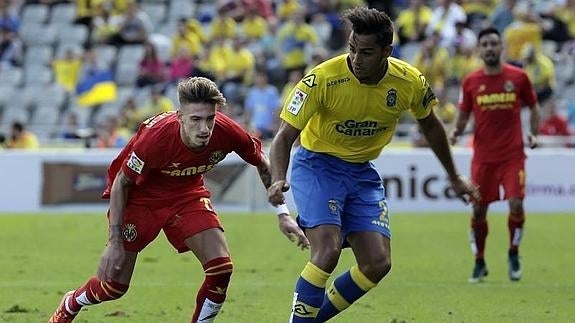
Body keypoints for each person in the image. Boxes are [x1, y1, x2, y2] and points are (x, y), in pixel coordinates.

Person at [267, 7, 479, 323]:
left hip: (362, 171)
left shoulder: (408, 81)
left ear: (386, 52)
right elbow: (284, 137)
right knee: (327, 253)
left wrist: (454, 176)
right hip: (317, 166)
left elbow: (431, 126)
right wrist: (277, 179)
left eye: (366, 52)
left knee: (377, 263)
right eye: (352, 49)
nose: (356, 58)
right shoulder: (322, 78)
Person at [48, 77, 309, 323]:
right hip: (142, 200)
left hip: (187, 195)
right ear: (180, 117)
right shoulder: (156, 138)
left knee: (222, 268)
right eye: (195, 119)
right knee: (113, 287)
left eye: (210, 119)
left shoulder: (227, 131)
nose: (204, 128)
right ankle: (71, 303)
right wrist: (114, 242)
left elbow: (262, 164)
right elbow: (122, 183)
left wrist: (283, 213)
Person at [450, 27, 540, 283]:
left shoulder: (519, 78)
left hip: (512, 155)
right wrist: (455, 132)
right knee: (479, 211)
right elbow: (464, 113)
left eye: (493, 43)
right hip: (483, 158)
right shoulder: (471, 81)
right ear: (479, 50)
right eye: (485, 44)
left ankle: (513, 252)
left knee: (516, 204)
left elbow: (533, 106)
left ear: (501, 48)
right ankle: (479, 261)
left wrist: (534, 133)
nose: (489, 48)